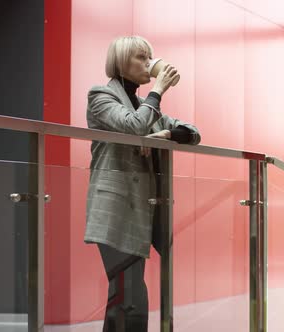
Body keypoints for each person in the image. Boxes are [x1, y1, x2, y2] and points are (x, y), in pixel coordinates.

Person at [84, 36, 201, 331]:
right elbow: (133, 126)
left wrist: (166, 136)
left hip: (140, 208)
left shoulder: (144, 105)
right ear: (121, 61)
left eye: (150, 57)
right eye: (141, 57)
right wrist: (159, 88)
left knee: (131, 294)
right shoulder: (101, 96)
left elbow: (193, 132)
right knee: (128, 295)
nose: (149, 64)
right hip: (115, 208)